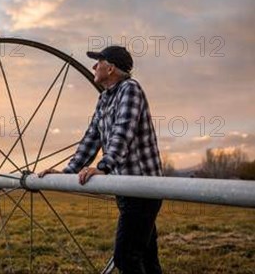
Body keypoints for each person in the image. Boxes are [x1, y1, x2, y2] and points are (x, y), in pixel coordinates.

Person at [38, 45, 164, 274]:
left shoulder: (130, 89)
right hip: (126, 189)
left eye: (98, 62)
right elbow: (91, 138)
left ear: (111, 67)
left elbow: (122, 132)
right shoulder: (105, 98)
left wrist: (104, 167)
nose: (94, 66)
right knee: (145, 256)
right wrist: (68, 173)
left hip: (143, 188)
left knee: (125, 258)